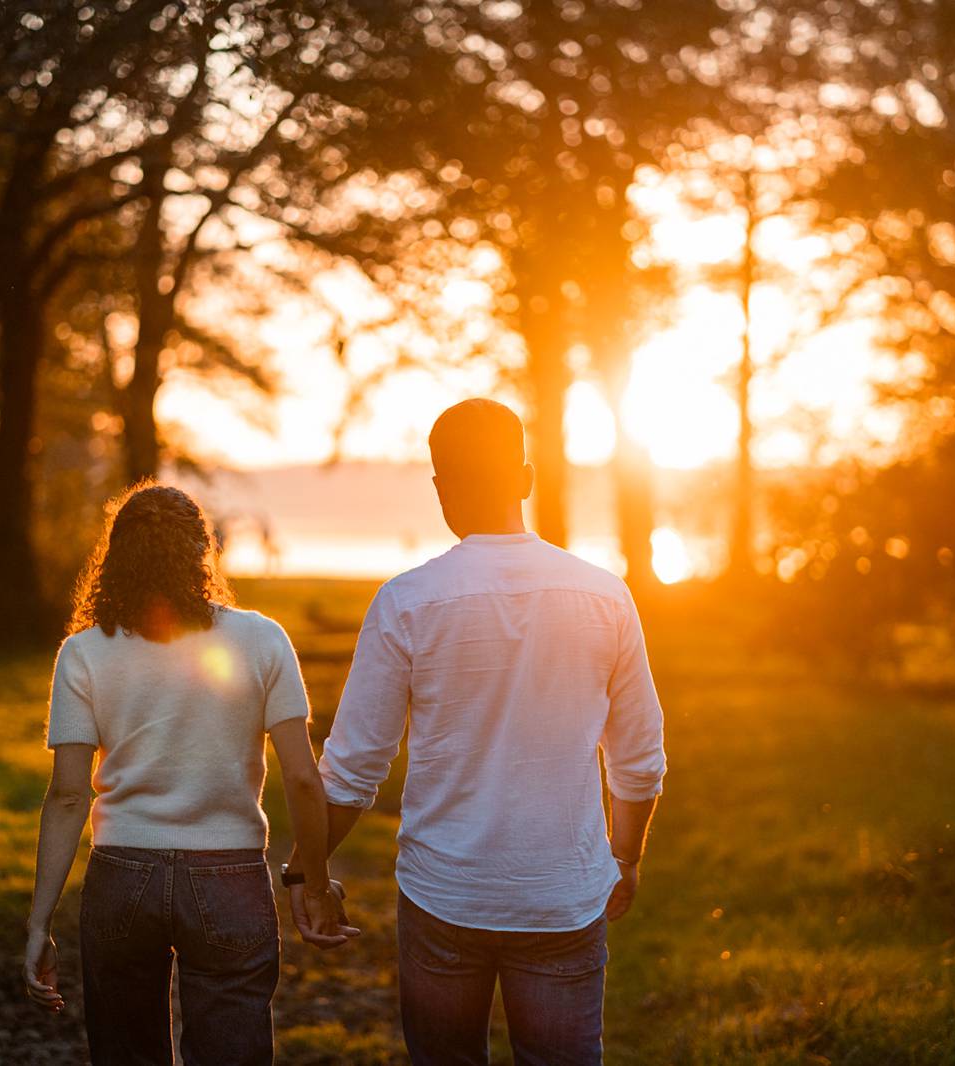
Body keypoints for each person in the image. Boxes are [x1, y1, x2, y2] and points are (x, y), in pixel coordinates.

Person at [283, 399, 668, 1065]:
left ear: (440, 489)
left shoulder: (407, 601)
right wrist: (625, 858)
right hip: (562, 899)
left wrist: (307, 874)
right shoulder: (606, 597)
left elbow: (349, 773)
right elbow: (638, 760)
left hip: (443, 898)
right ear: (524, 478)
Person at [22, 483, 358, 1066]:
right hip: (229, 873)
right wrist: (315, 881)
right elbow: (304, 779)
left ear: (117, 555)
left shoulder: (83, 652)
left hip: (123, 872)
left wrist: (39, 923)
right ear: (205, 552)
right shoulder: (261, 638)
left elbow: (69, 795)